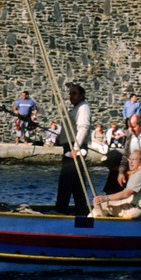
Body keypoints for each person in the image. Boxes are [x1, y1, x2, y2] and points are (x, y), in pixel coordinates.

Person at [54, 82, 93, 213]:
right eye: (70, 94)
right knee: (76, 183)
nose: (71, 96)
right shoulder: (76, 108)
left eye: (74, 93)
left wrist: (76, 148)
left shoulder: (83, 108)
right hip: (70, 146)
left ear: (82, 95)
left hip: (75, 148)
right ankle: (82, 209)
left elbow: (83, 127)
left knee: (66, 179)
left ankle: (60, 209)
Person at [91, 150, 141, 219]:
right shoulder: (140, 172)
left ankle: (94, 225)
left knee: (101, 204)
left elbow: (126, 194)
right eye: (130, 160)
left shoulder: (140, 174)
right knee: (103, 203)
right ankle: (99, 222)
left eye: (134, 160)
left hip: (135, 210)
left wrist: (105, 198)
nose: (131, 162)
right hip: (136, 206)